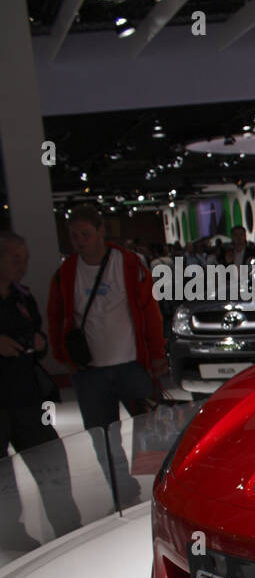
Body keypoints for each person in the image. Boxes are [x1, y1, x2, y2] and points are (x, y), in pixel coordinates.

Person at [47, 203, 166, 508]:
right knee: (103, 438)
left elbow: (149, 312)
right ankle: (123, 494)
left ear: (101, 231)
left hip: (132, 365)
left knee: (151, 430)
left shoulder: (128, 264)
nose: (79, 240)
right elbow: (57, 315)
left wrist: (156, 355)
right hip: (90, 372)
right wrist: (64, 355)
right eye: (74, 235)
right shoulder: (66, 273)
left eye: (85, 233)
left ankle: (160, 488)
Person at [1, 230, 81, 551]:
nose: (23, 266)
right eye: (16, 259)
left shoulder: (23, 298)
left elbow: (38, 334)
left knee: (53, 465)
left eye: (25, 259)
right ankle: (11, 533)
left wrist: (40, 343)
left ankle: (69, 529)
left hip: (28, 397)